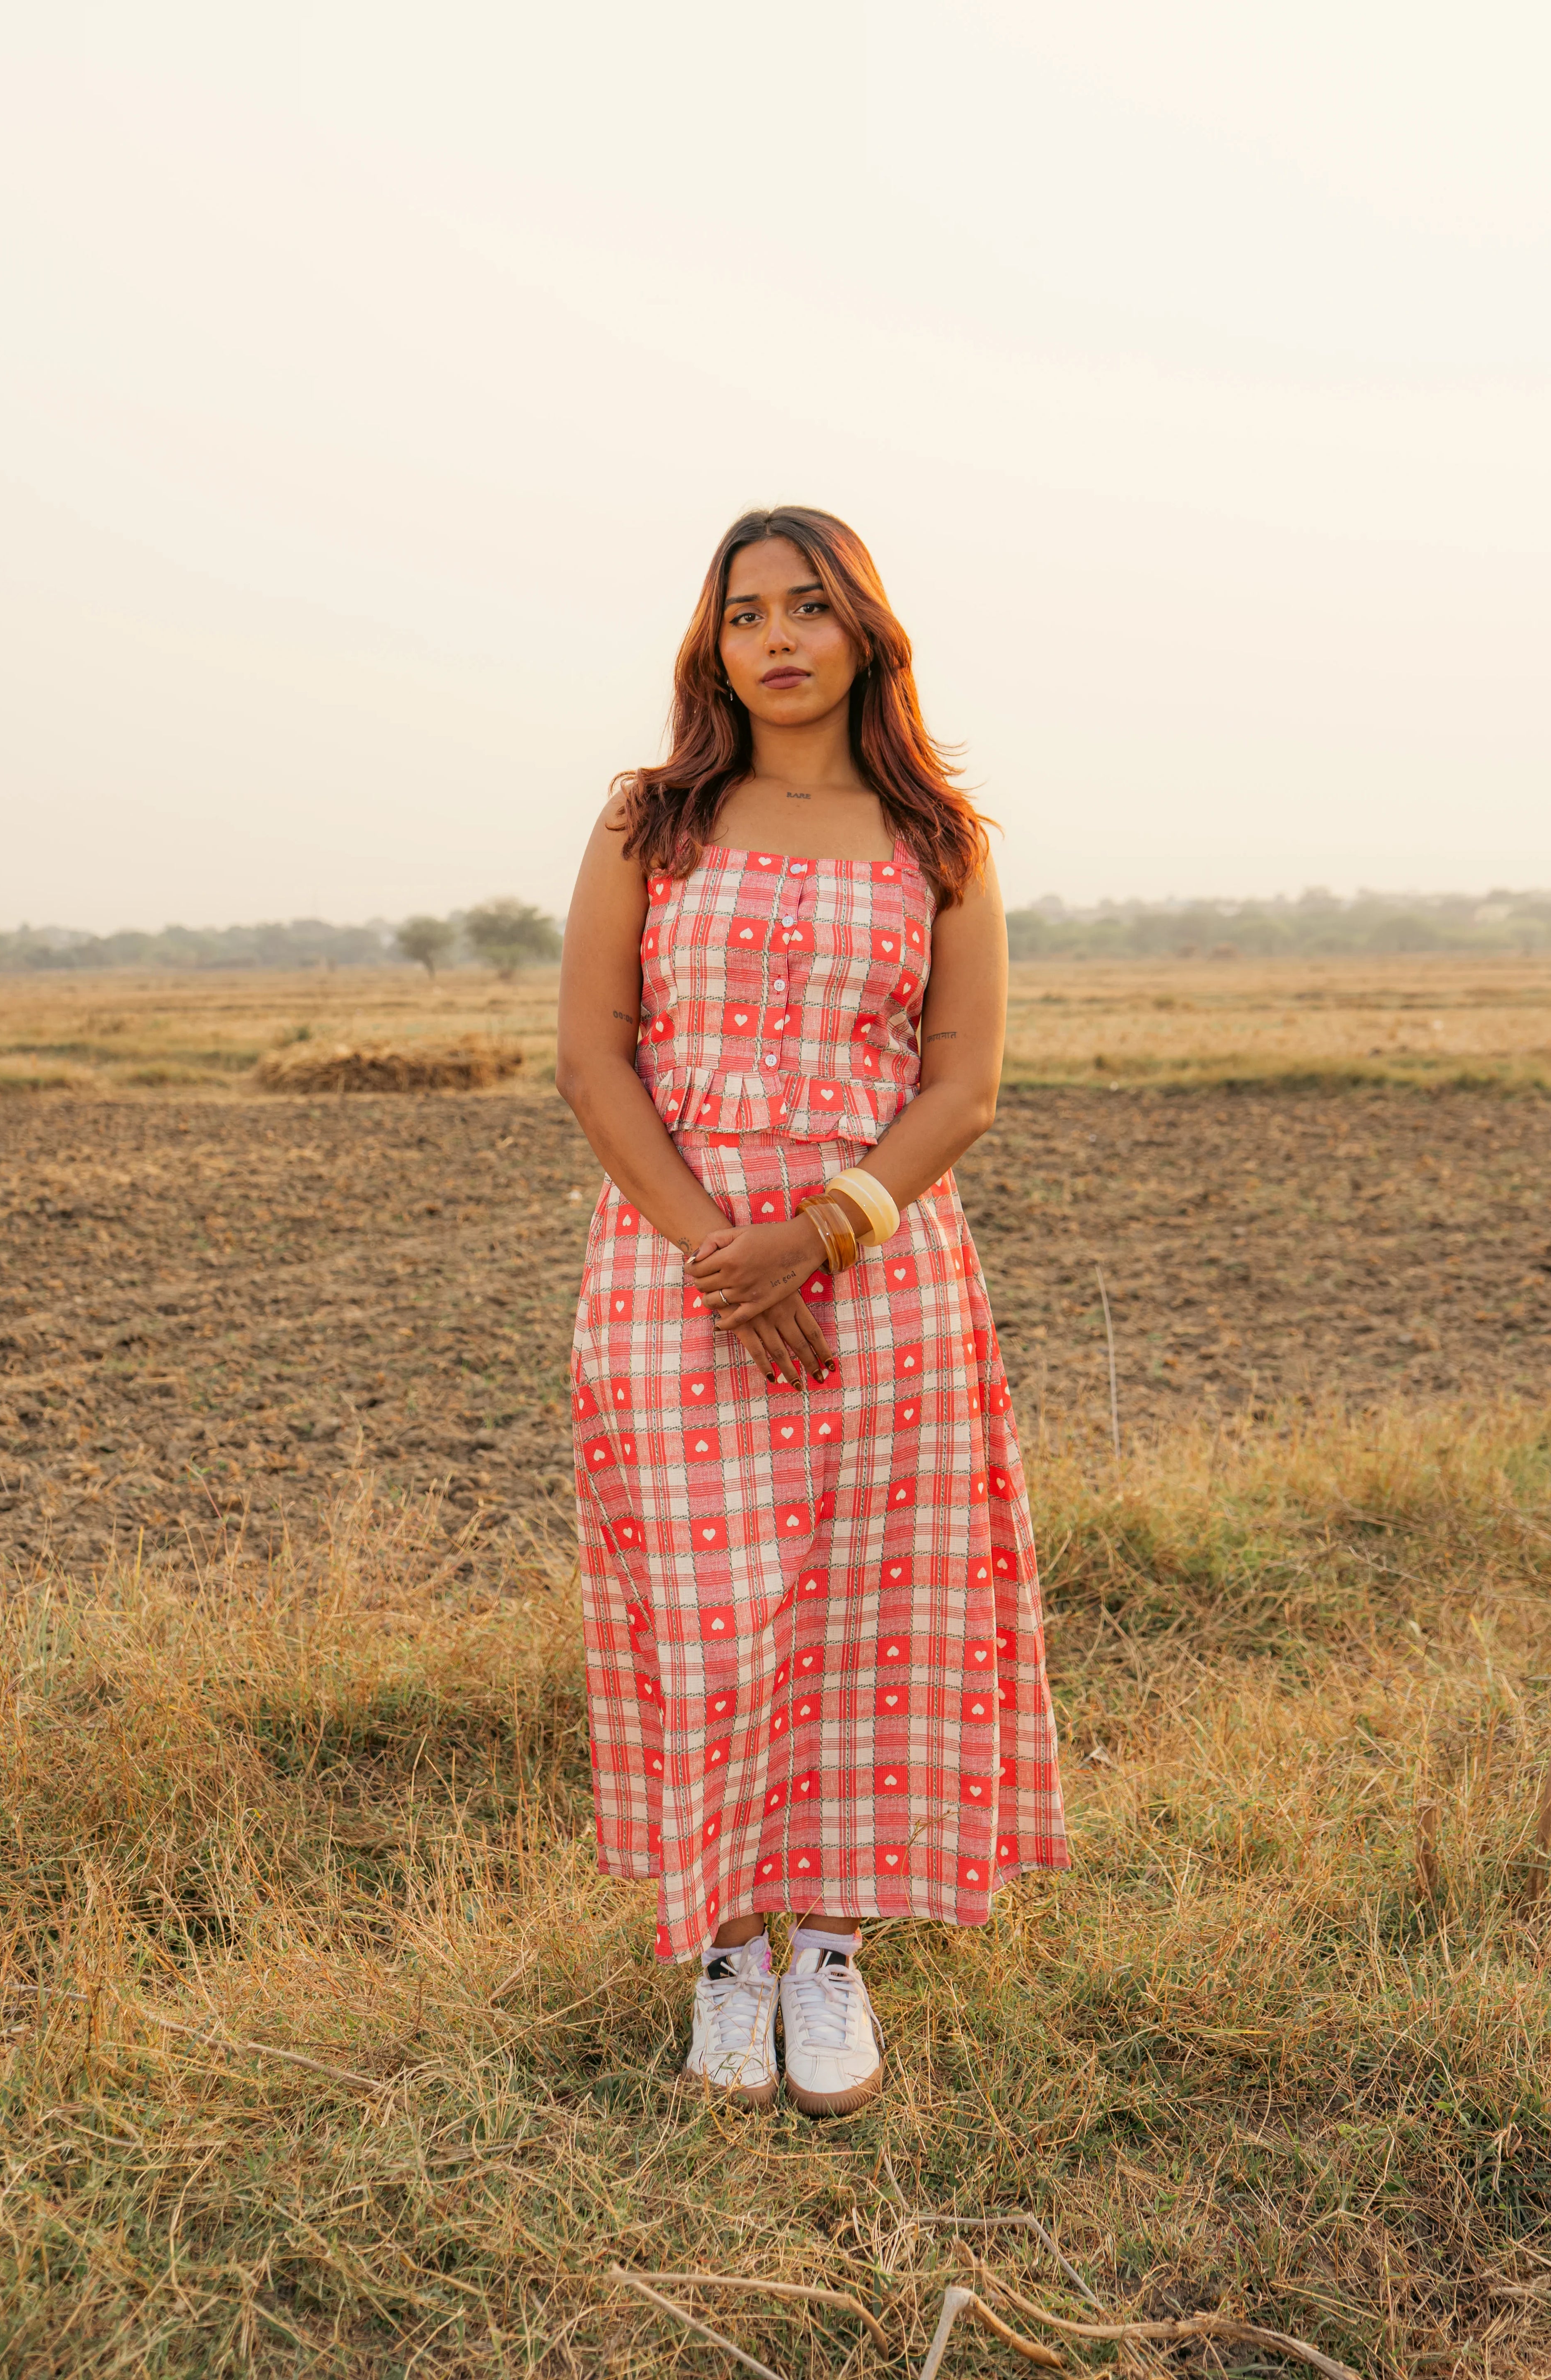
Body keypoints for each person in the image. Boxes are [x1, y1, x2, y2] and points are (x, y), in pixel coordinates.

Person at [556, 505, 1067, 2118]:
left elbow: (965, 1086)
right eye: (744, 614)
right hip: (678, 1273)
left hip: (881, 1279)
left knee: (865, 1615)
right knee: (704, 1618)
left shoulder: (943, 837)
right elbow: (594, 1052)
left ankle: (830, 1952)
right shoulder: (652, 820)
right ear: (712, 646)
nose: (776, 638)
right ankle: (726, 1951)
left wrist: (822, 1239)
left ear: (866, 632)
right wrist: (728, 1249)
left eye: (808, 608)